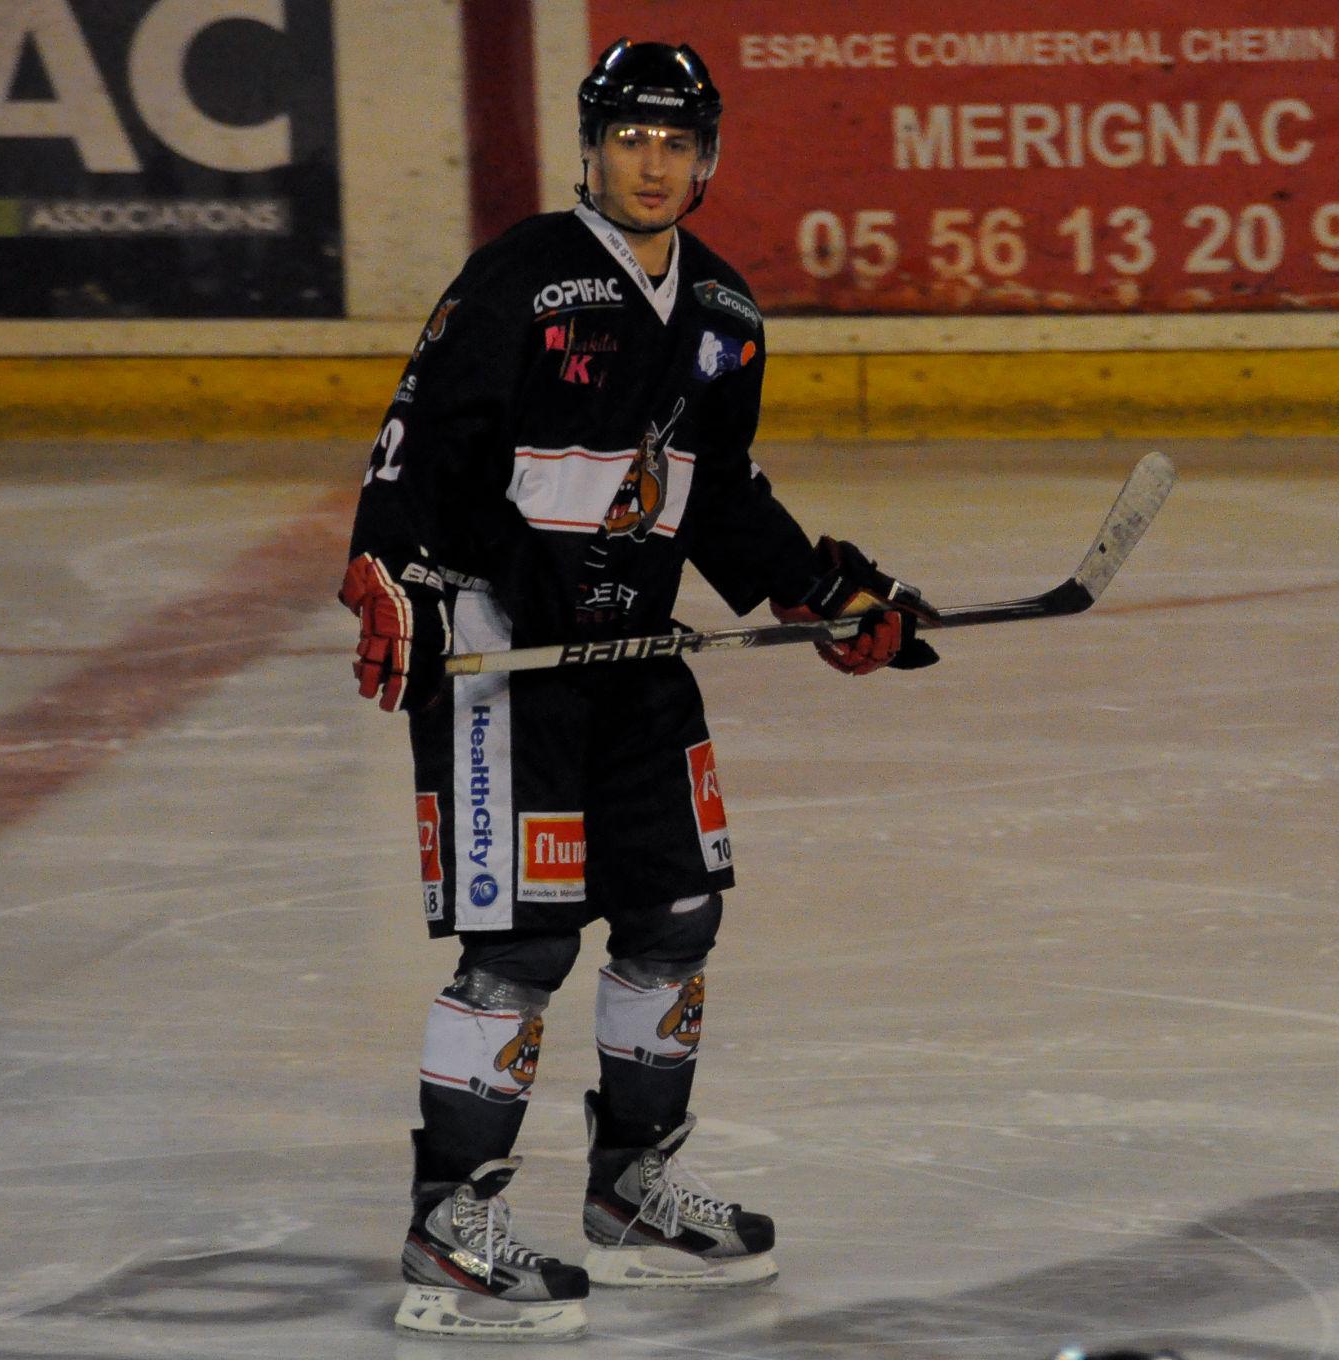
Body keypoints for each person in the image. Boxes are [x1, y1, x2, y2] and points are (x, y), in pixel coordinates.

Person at [338, 38, 941, 1341]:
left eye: (676, 141)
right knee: (524, 944)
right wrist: (393, 573)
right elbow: (417, 446)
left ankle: (629, 1195)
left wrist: (816, 588)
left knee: (675, 915)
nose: (652, 163)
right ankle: (449, 1230)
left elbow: (717, 493)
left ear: (707, 156)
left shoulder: (723, 312)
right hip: (507, 655)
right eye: (630, 137)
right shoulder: (520, 278)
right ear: (591, 147)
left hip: (635, 660)